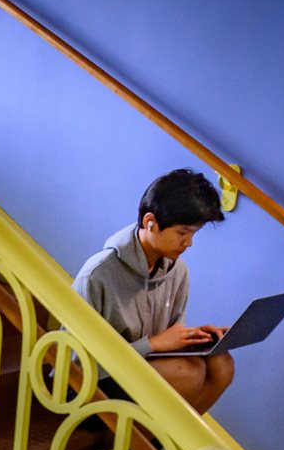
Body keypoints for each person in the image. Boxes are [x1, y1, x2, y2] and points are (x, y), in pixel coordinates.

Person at [72, 169, 232, 413]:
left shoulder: (178, 272)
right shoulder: (98, 274)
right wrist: (153, 344)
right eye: (182, 232)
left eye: (193, 233)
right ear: (150, 222)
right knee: (188, 373)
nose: (189, 243)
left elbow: (171, 346)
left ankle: (163, 448)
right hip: (90, 381)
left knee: (222, 363)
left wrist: (195, 338)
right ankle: (144, 449)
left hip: (144, 368)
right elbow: (78, 364)